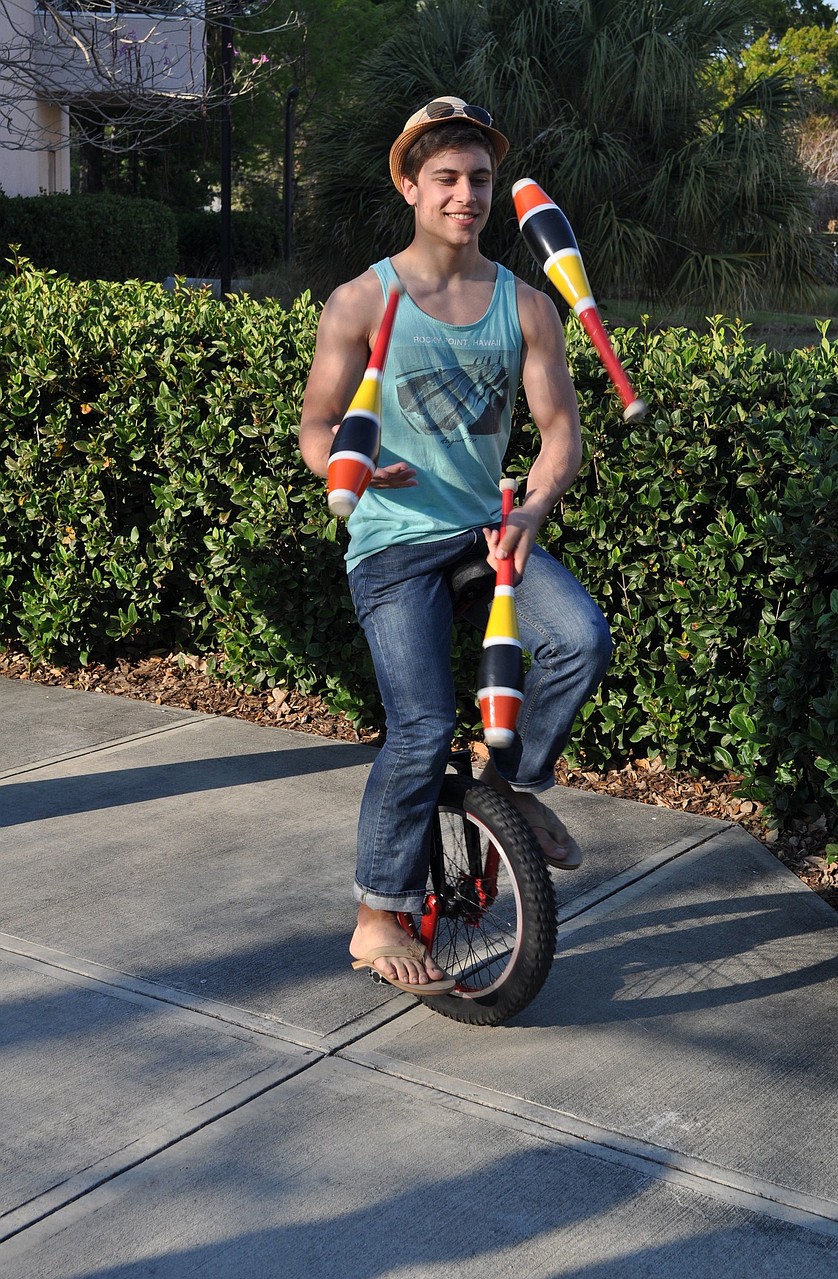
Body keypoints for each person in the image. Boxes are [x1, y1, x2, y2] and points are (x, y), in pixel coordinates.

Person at [300, 96, 612, 994]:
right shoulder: (363, 300)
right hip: (393, 544)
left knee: (578, 638)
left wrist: (533, 509)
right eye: (445, 178)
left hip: (488, 534)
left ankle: (506, 781)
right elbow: (317, 428)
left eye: (479, 179)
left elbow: (560, 435)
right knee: (423, 723)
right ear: (409, 184)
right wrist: (355, 469)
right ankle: (376, 913)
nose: (466, 195)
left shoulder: (524, 305)